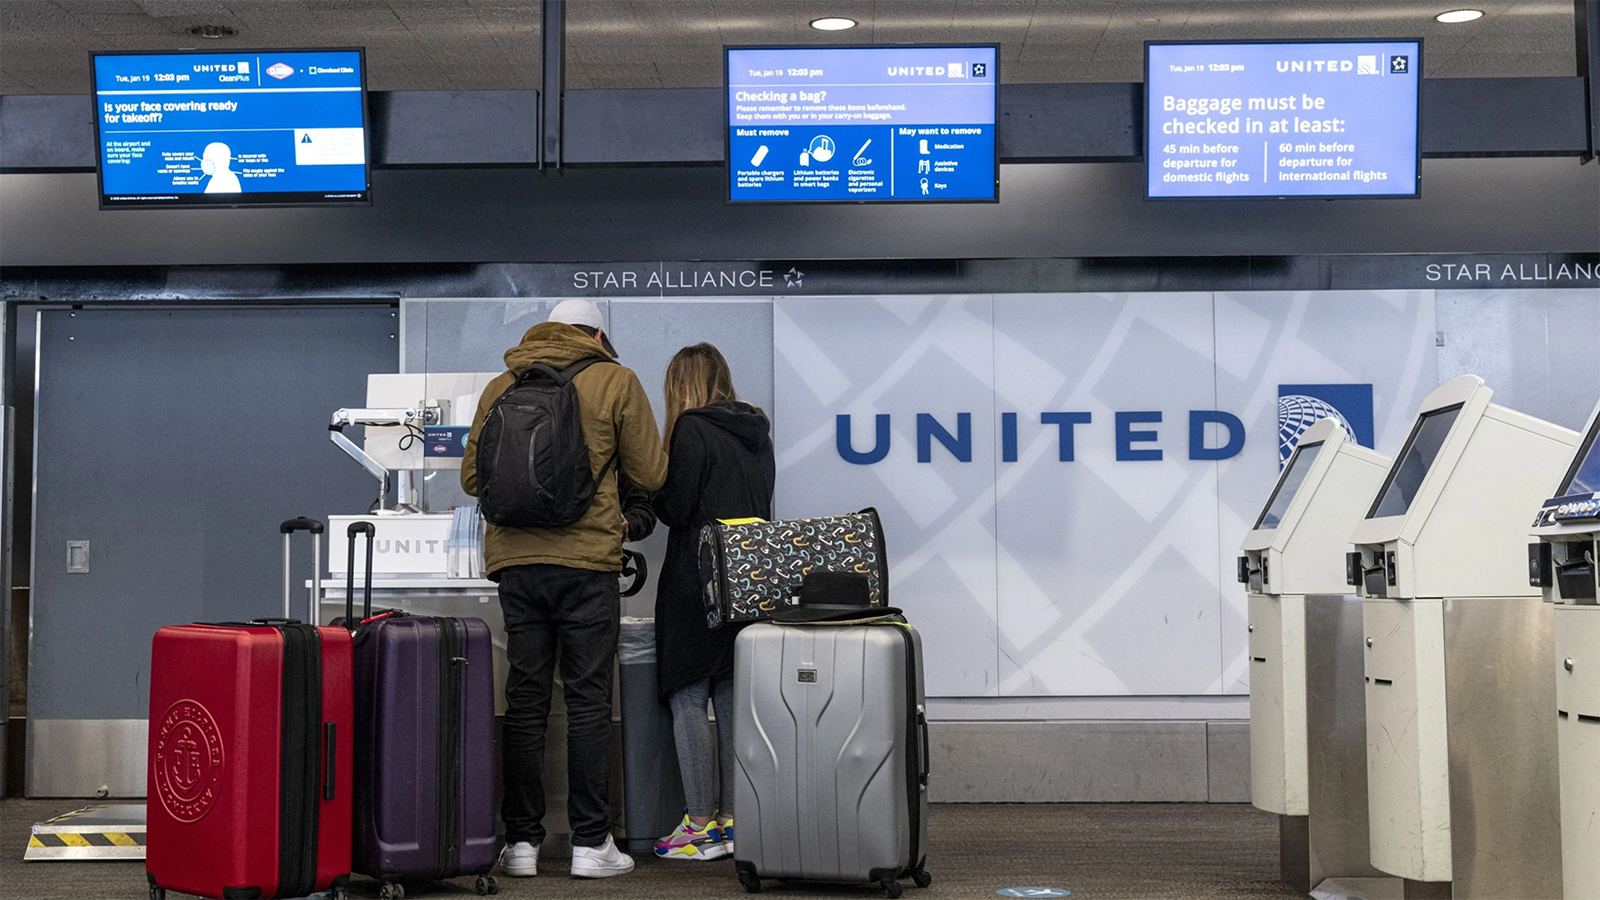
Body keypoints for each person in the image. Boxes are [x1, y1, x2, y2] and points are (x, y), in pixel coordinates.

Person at [461, 299, 668, 879]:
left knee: (525, 702)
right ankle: (589, 844)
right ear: (599, 333)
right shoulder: (615, 379)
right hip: (585, 563)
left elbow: (473, 477)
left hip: (516, 564)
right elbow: (651, 474)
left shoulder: (504, 382)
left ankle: (521, 844)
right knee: (587, 700)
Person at [650, 343, 775, 861]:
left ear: (681, 385)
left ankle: (698, 822)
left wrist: (648, 486)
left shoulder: (691, 428)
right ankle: (731, 820)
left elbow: (676, 507)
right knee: (727, 696)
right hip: (745, 579)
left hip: (694, 578)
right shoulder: (756, 432)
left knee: (686, 697)